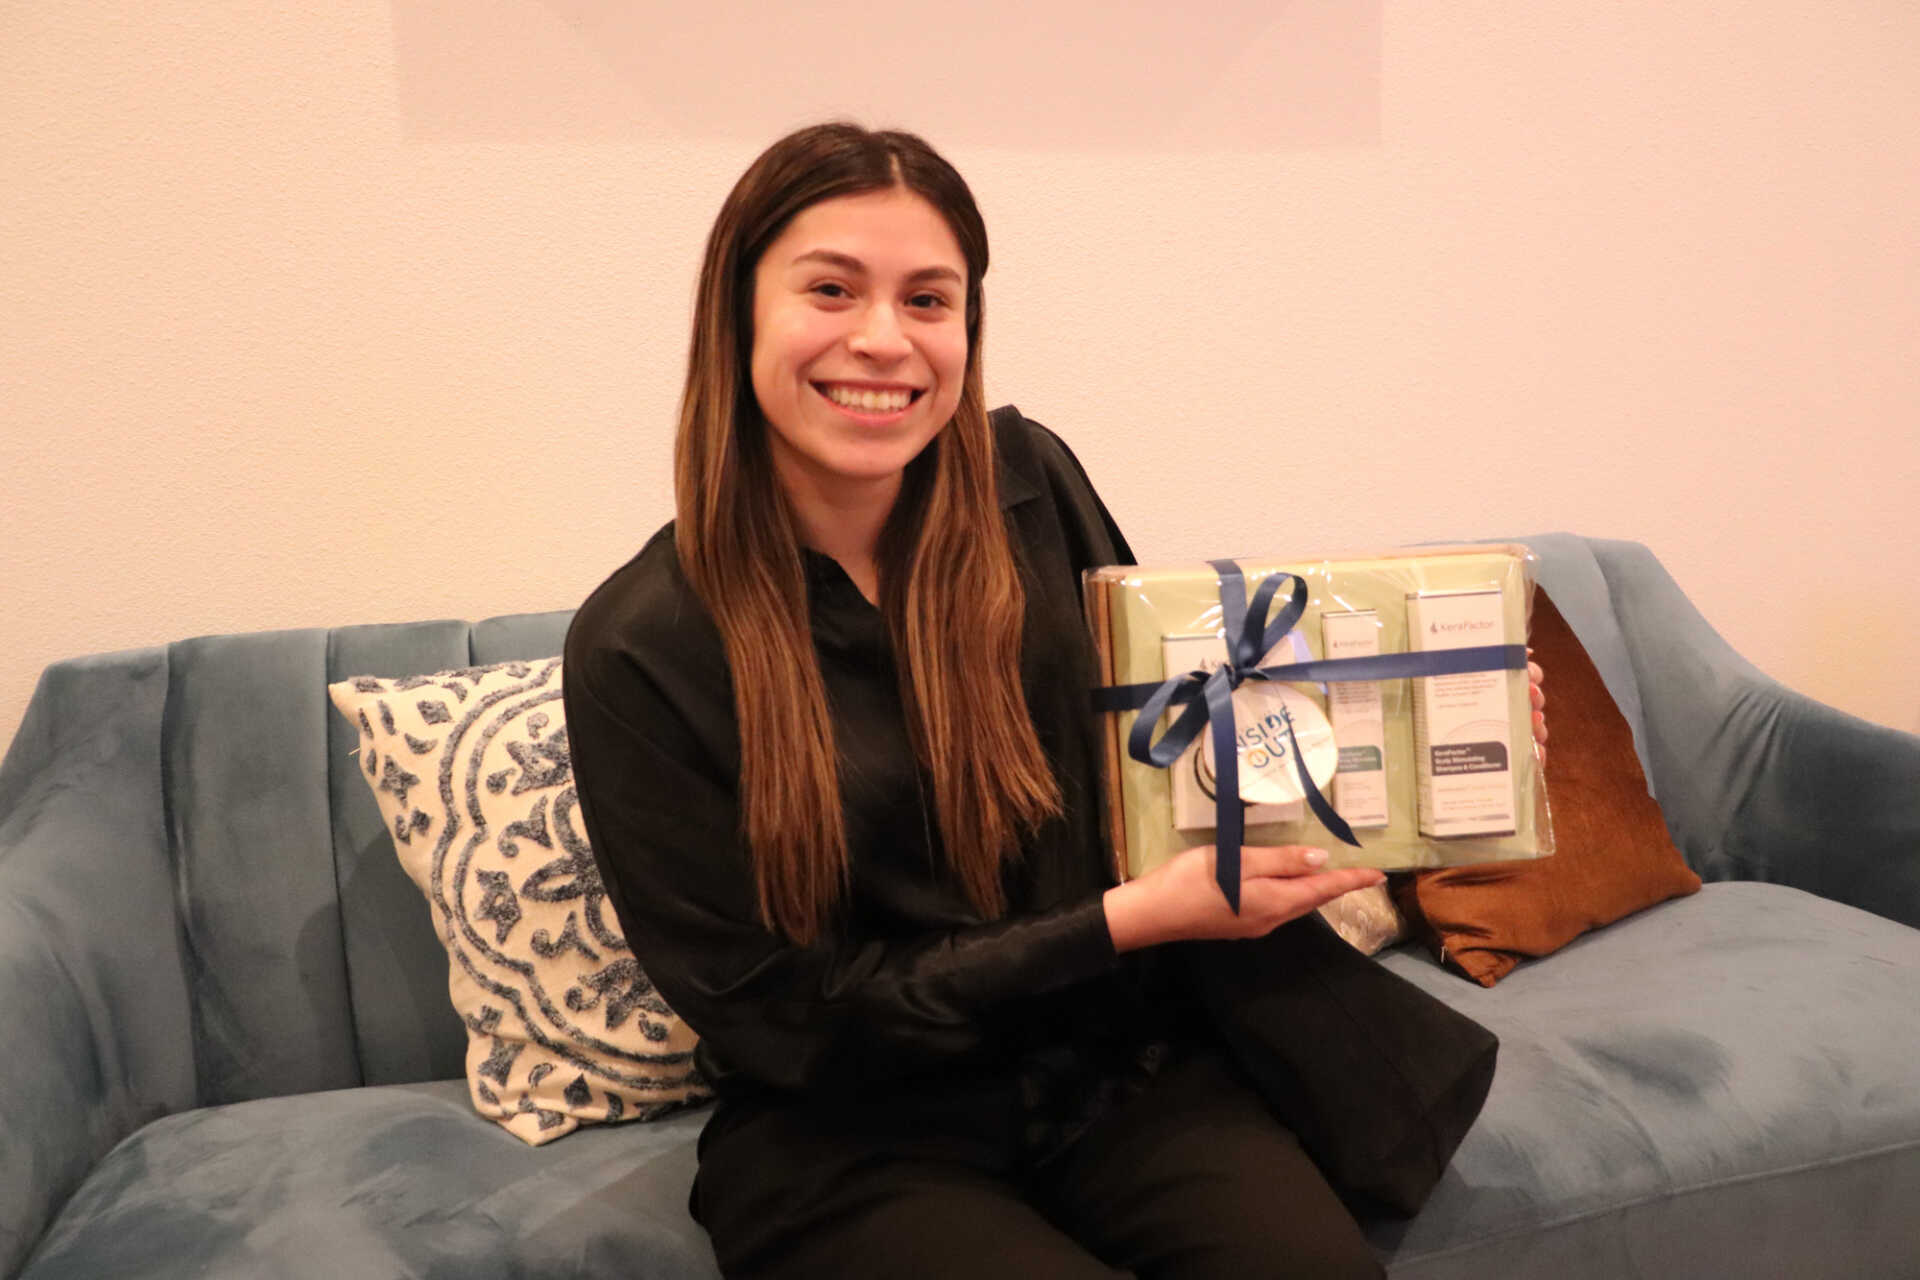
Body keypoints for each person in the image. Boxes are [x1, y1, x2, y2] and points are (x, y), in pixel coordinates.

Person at [563, 122, 1547, 1280]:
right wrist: (1126, 921)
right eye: (831, 289)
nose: (883, 337)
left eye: (928, 300)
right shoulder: (641, 646)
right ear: (737, 316)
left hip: (1110, 1068)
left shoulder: (1031, 485)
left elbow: (1169, 754)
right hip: (848, 1132)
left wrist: (1426, 737)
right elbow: (788, 1016)